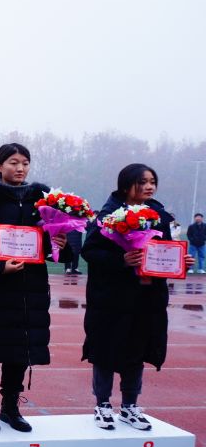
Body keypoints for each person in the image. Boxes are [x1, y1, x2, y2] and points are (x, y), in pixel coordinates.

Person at [0, 144, 67, 432]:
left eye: (25, 163)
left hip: (30, 288)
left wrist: (58, 244)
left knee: (20, 347)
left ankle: (11, 406)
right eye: (13, 162)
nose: (20, 168)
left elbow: (52, 246)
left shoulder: (43, 202)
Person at [82, 164, 194, 430]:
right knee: (106, 350)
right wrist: (122, 260)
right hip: (111, 299)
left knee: (137, 349)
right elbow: (90, 252)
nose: (149, 186)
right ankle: (103, 404)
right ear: (125, 185)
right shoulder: (108, 216)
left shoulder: (161, 216)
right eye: (142, 182)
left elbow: (166, 251)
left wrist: (181, 262)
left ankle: (130, 406)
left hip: (147, 298)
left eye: (152, 181)